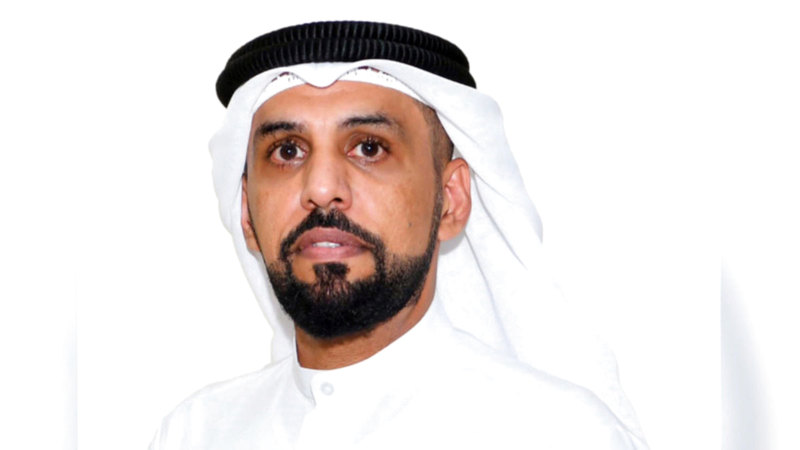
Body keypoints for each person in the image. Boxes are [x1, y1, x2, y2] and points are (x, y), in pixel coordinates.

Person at [150, 21, 648, 449]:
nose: (321, 189)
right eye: (287, 151)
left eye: (369, 147)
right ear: (246, 211)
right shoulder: (195, 433)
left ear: (450, 199)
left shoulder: (559, 433)